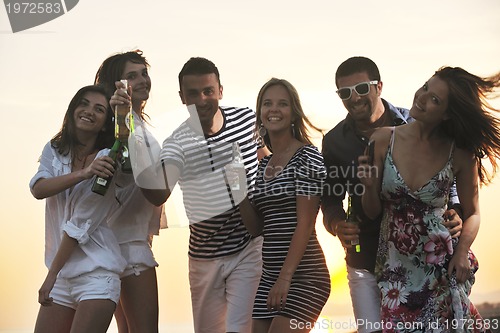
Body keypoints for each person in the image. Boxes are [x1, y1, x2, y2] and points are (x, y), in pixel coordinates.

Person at [321, 56, 463, 333]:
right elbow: (330, 198)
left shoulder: (416, 120)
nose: (354, 98)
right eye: (344, 93)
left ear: (379, 86)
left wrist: (456, 209)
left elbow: (448, 171)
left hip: (420, 260)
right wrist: (337, 224)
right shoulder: (334, 141)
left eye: (362, 88)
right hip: (364, 257)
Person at [358, 66, 500, 332]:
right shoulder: (382, 140)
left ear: (447, 114)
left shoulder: (460, 153)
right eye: (425, 87)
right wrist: (368, 186)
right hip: (395, 273)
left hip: (440, 269)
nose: (421, 98)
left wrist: (460, 252)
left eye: (434, 99)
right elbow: (372, 211)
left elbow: (473, 214)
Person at [138, 57, 265, 333]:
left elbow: (267, 159)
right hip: (204, 256)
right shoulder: (177, 142)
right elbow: (161, 191)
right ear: (182, 97)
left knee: (240, 328)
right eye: (193, 93)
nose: (202, 99)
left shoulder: (247, 120)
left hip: (249, 247)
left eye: (208, 91)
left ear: (220, 90)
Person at [30, 85, 127, 333]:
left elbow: (79, 223)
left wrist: (50, 276)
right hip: (62, 275)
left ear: (107, 122)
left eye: (99, 109)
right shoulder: (54, 149)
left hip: (96, 274)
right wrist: (84, 173)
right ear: (73, 109)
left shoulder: (108, 158)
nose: (89, 111)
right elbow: (39, 189)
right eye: (83, 104)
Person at [237, 78, 331, 333]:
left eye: (282, 104)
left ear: (293, 113)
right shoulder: (264, 166)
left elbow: (305, 223)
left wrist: (285, 278)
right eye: (267, 104)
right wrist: (238, 193)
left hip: (305, 276)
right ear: (260, 113)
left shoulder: (307, 156)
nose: (273, 109)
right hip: (270, 276)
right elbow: (257, 229)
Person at [94, 49, 162, 333]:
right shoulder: (119, 125)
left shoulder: (136, 122)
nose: (142, 80)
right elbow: (154, 188)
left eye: (143, 73)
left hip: (121, 241)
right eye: (131, 76)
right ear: (117, 87)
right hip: (129, 247)